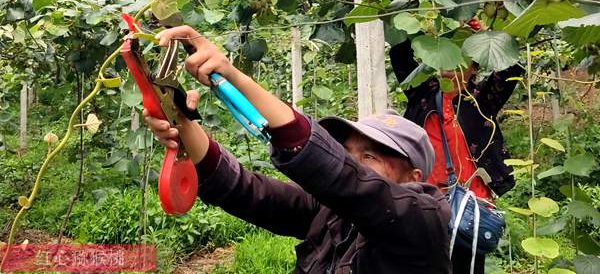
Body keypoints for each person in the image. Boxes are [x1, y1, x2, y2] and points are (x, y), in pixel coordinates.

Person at [143, 26, 452, 274]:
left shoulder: (423, 221)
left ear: (413, 176)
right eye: (348, 151)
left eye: (370, 156)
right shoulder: (330, 214)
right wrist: (179, 119)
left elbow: (347, 180)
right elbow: (242, 189)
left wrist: (232, 75)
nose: (350, 162)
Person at [389, 38, 524, 274]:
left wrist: (483, 36)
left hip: (471, 205)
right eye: (447, 57)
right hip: (426, 202)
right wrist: (426, 26)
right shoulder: (422, 93)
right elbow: (400, 54)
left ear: (474, 68)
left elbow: (510, 65)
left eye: (462, 60)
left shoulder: (482, 98)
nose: (451, 67)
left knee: (467, 266)